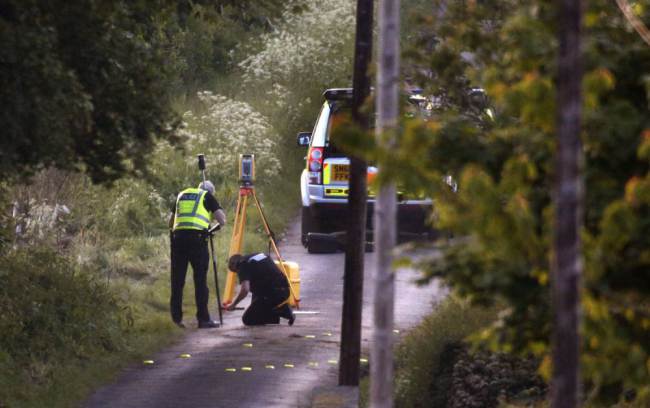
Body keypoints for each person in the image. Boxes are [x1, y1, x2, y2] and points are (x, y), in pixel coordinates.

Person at [168, 180, 226, 329]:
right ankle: (203, 319)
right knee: (200, 280)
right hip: (197, 240)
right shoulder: (207, 196)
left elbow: (170, 223)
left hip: (178, 239)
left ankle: (176, 320)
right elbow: (222, 220)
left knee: (177, 280)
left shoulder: (182, 194)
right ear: (211, 191)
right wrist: (210, 230)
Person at [226, 253, 296, 326]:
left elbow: (245, 290)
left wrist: (233, 305)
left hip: (274, 294)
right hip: (284, 289)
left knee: (248, 319)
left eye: (235, 271)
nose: (237, 273)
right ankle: (273, 312)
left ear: (234, 264)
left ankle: (283, 311)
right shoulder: (258, 256)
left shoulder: (243, 265)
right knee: (255, 287)